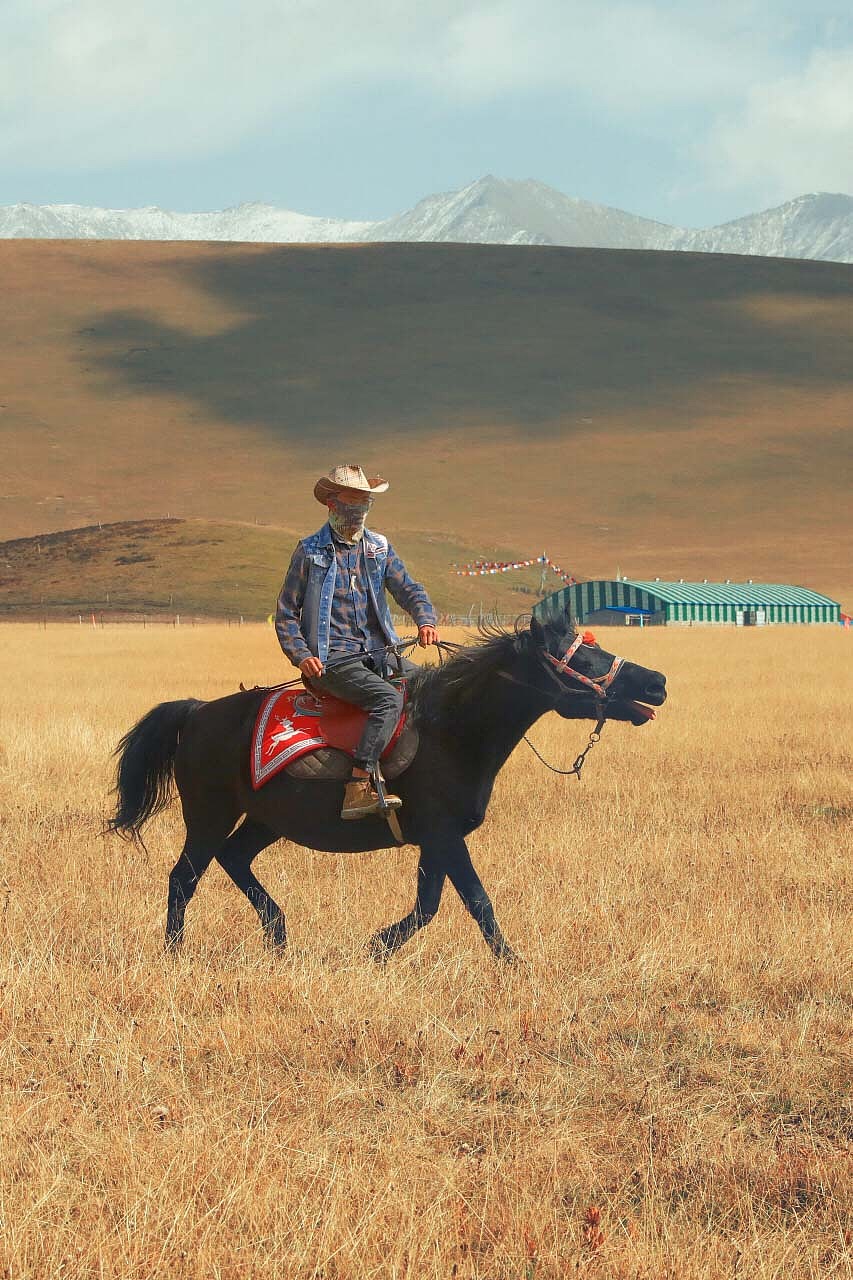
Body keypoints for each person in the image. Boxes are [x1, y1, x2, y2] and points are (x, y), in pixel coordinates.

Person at [275, 464, 439, 819]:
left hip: (381, 656)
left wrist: (425, 618)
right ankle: (357, 786)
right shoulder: (310, 552)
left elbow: (408, 588)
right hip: (330, 661)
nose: (360, 510)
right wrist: (301, 655)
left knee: (431, 686)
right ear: (332, 504)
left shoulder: (379, 549)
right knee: (387, 699)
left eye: (365, 502)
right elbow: (286, 613)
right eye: (353, 502)